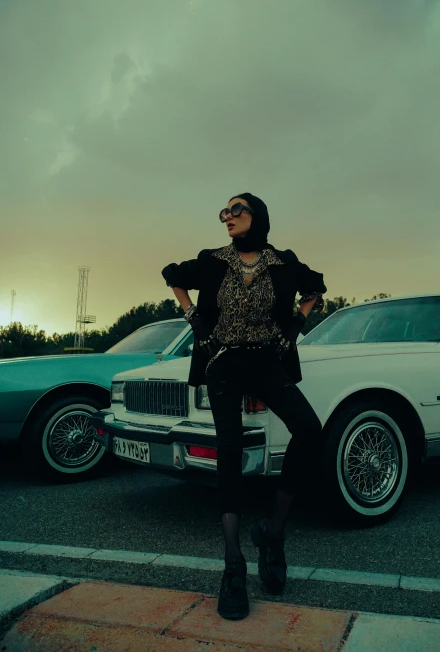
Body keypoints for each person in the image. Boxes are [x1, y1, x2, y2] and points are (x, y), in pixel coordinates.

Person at [161, 193, 326, 621]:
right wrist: (193, 316)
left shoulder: (282, 261)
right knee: (229, 450)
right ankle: (233, 564)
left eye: (237, 210)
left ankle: (273, 534)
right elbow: (171, 274)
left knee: (310, 430)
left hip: (267, 363)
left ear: (258, 216)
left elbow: (315, 288)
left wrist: (294, 326)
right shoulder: (212, 260)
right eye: (223, 212)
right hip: (223, 363)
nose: (227, 217)